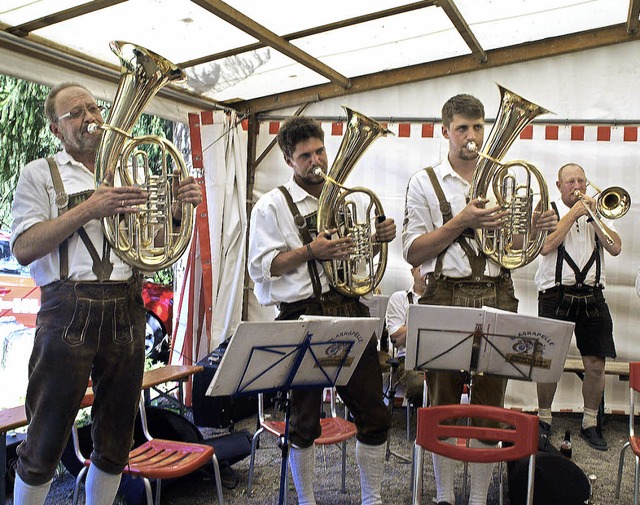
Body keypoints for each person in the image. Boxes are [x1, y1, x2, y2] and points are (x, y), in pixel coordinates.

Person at [10, 82, 202, 505]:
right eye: (75, 113)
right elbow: (23, 248)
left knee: (117, 439)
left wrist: (173, 210)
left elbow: (149, 249)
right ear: (56, 130)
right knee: (44, 440)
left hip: (127, 307)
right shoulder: (40, 173)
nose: (90, 117)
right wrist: (89, 208)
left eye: (94, 108)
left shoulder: (124, 171)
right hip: (66, 312)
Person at [402, 93, 557, 505]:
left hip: (497, 294)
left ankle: (477, 498)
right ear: (445, 131)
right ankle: (445, 497)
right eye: (462, 129)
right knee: (444, 402)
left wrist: (536, 229)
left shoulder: (504, 179)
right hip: (444, 294)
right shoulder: (424, 181)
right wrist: (463, 219)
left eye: (477, 127)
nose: (471, 137)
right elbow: (414, 252)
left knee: (492, 403)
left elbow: (514, 248)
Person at [248, 115, 395, 505]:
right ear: (287, 158)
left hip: (349, 309)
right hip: (302, 313)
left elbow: (359, 263)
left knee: (375, 414)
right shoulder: (270, 205)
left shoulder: (345, 197)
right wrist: (310, 251)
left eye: (319, 151)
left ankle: (372, 498)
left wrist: (376, 239)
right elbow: (264, 266)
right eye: (305, 156)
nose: (316, 161)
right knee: (304, 422)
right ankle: (306, 500)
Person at [534, 162, 621, 451]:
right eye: (570, 181)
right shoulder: (548, 211)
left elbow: (615, 246)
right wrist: (574, 213)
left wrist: (595, 214)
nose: (577, 186)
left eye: (581, 180)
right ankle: (544, 419)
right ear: (559, 186)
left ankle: (589, 423)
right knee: (548, 363)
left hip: (592, 296)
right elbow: (544, 247)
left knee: (596, 365)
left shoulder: (599, 211)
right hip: (554, 295)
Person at [384, 266, 426, 406]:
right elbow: (396, 340)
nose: (426, 275)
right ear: (412, 271)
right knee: (418, 388)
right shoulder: (399, 298)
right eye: (422, 270)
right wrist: (426, 320)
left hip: (442, 361)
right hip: (409, 359)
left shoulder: (443, 299)